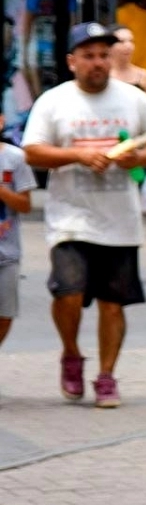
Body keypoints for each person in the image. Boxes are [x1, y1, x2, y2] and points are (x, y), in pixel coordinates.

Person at [22, 22, 146, 409]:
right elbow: (32, 151)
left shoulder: (133, 99)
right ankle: (71, 353)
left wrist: (137, 158)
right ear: (72, 61)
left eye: (103, 55)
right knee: (68, 293)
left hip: (120, 220)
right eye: (88, 56)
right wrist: (79, 155)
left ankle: (106, 376)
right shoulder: (54, 101)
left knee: (112, 302)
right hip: (69, 218)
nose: (98, 63)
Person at [0, 115, 37, 355]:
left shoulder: (15, 158)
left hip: (7, 253)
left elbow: (25, 205)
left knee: (5, 314)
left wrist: (2, 192)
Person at [108, 24, 146, 99]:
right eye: (121, 41)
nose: (128, 46)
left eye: (131, 41)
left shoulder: (144, 76)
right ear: (109, 46)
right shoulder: (103, 76)